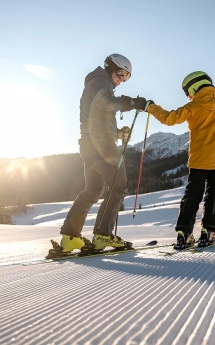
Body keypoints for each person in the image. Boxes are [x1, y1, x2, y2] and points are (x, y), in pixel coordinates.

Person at [59, 53, 148, 252]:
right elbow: (106, 103)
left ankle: (70, 237)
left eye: (126, 77)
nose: (122, 80)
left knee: (93, 189)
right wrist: (133, 103)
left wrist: (117, 133)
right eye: (122, 74)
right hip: (102, 147)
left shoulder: (96, 82)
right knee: (118, 185)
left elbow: (98, 120)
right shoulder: (101, 81)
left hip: (90, 145)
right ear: (112, 68)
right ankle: (103, 235)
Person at [145, 71, 215, 247]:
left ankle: (184, 234)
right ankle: (209, 232)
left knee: (192, 195)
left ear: (195, 87)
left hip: (199, 160)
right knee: (214, 195)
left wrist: (150, 107)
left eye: (188, 92)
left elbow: (168, 119)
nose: (188, 96)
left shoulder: (193, 107)